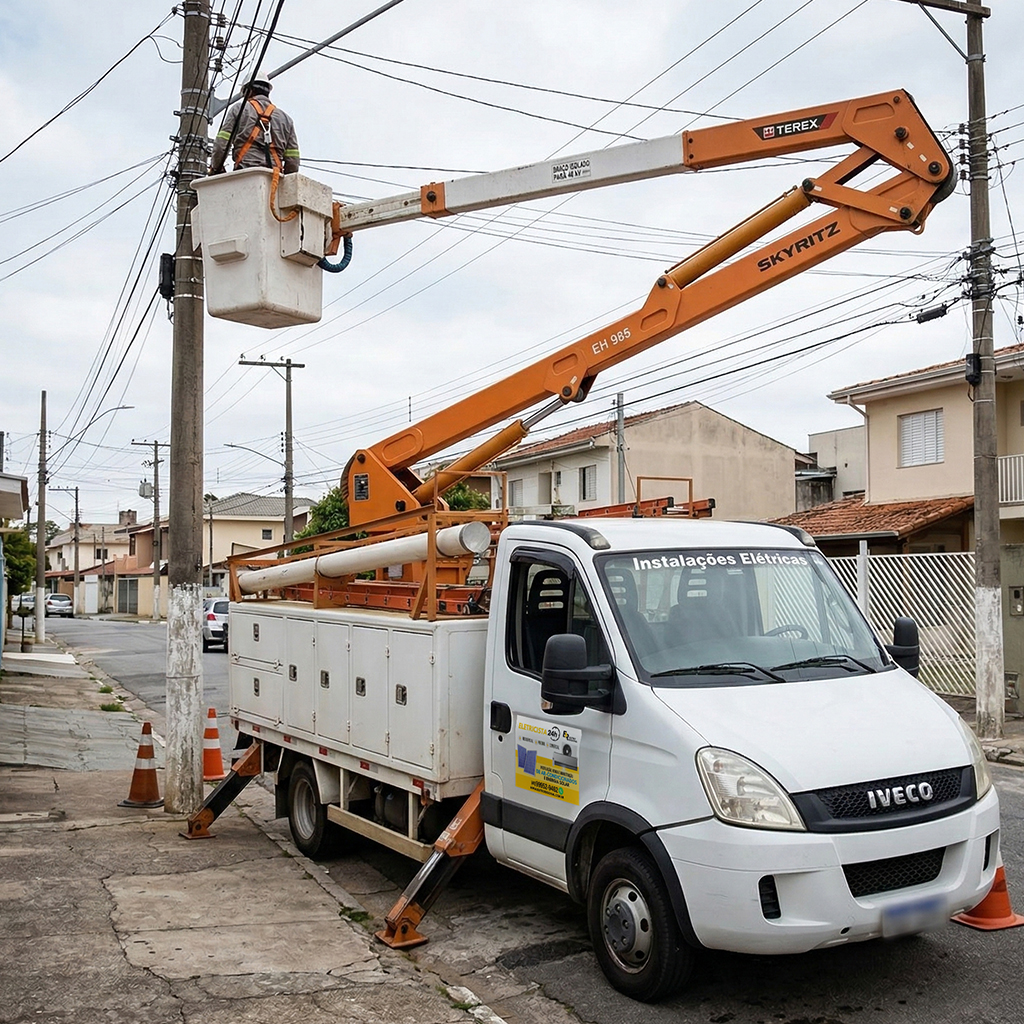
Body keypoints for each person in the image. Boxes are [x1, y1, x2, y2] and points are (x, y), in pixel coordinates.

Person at [209, 77, 300, 175]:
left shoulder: (239, 109)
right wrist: (285, 181)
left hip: (245, 174)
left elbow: (221, 144)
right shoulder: (286, 119)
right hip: (274, 178)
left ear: (249, 91)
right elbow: (293, 160)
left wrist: (216, 168)